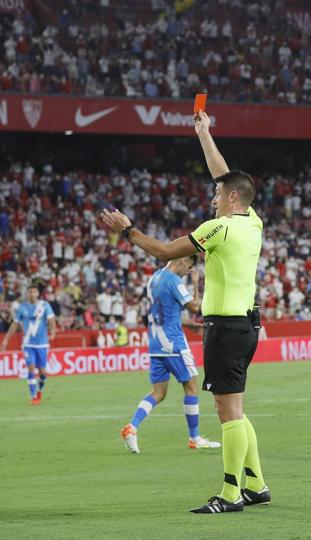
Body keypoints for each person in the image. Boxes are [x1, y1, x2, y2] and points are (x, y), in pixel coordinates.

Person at [100, 110, 269, 514]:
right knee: (236, 408)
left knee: (227, 411)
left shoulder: (218, 229)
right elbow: (226, 177)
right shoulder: (253, 222)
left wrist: (127, 230)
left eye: (217, 195)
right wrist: (205, 134)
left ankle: (230, 494)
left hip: (225, 328)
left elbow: (161, 251)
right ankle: (257, 485)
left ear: (230, 199)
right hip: (246, 324)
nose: (212, 199)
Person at [120, 256, 221, 454]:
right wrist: (195, 284)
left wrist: (188, 325)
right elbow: (194, 306)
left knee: (158, 393)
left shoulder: (154, 278)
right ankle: (195, 438)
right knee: (192, 385)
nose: (187, 272)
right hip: (173, 344)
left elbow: (164, 312)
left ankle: (131, 428)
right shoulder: (174, 280)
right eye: (189, 267)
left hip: (156, 343)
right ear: (182, 260)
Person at [0, 283, 57, 405]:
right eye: (30, 291)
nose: (32, 294)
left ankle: (39, 390)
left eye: (34, 291)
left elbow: (51, 320)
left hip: (42, 344)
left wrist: (52, 331)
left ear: (38, 293)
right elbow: (14, 325)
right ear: (27, 293)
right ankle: (33, 397)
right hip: (28, 343)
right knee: (31, 368)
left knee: (42, 373)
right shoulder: (22, 308)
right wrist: (6, 340)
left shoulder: (44, 305)